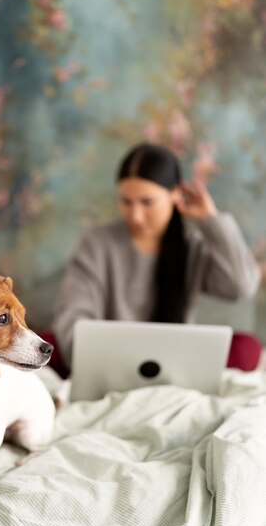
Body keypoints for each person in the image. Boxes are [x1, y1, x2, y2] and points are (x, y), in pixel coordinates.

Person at [52, 142, 261, 370]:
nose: (136, 216)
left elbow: (241, 286)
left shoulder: (192, 248)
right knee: (47, 342)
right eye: (126, 202)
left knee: (247, 347)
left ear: (175, 195)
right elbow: (73, 319)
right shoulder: (96, 244)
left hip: (174, 363)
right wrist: (100, 364)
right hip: (109, 361)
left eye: (147, 202)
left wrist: (210, 220)